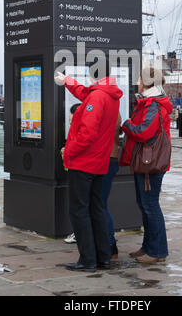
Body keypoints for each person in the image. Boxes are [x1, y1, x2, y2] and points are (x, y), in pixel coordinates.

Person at [55, 67, 123, 272]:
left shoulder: (97, 97)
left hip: (84, 162)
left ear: (93, 76)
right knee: (97, 209)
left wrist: (69, 152)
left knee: (79, 211)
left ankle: (87, 260)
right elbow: (86, 94)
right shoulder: (108, 94)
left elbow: (87, 134)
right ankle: (103, 257)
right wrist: (67, 81)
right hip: (100, 162)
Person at [120, 68, 173, 264]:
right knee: (145, 206)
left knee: (150, 206)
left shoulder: (153, 105)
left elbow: (144, 133)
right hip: (145, 163)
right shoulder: (148, 102)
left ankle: (158, 251)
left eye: (140, 78)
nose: (138, 81)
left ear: (147, 82)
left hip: (150, 165)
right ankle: (148, 247)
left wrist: (125, 123)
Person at [101, 111, 122, 259]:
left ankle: (109, 245)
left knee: (99, 205)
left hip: (104, 159)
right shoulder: (113, 105)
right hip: (111, 158)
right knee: (100, 205)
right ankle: (109, 246)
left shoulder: (101, 103)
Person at [62, 103, 81, 244]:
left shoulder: (80, 129)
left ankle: (79, 234)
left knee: (79, 206)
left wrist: (67, 152)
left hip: (80, 168)